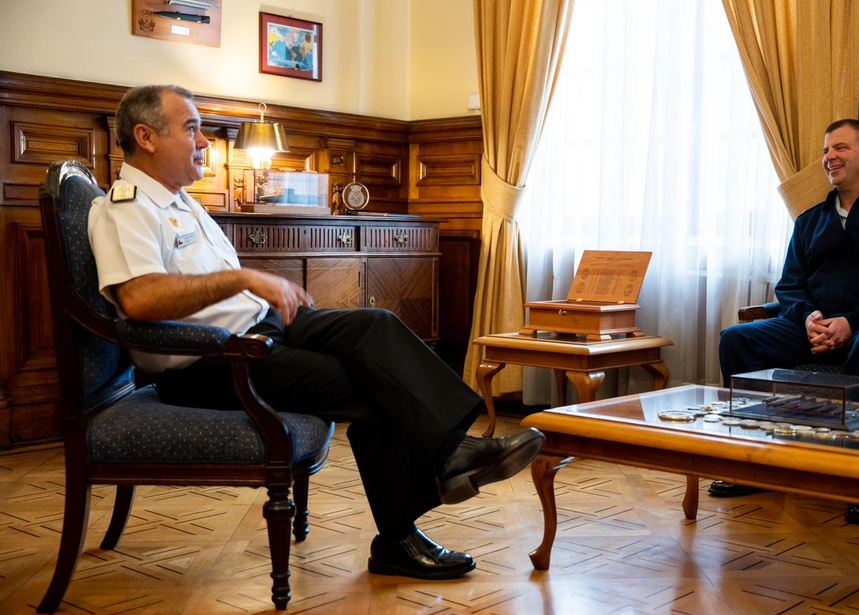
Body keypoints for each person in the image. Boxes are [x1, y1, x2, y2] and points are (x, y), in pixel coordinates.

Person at [88, 84, 545, 580]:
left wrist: (257, 291)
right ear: (145, 137)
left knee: (378, 325)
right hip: (211, 362)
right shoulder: (126, 207)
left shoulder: (180, 202)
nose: (204, 142)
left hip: (258, 328)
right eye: (192, 128)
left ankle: (454, 448)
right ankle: (400, 534)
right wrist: (245, 279)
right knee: (374, 386)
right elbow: (140, 299)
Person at [714, 119, 859, 525]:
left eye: (840, 148)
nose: (829, 157)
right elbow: (790, 287)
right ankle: (755, 462)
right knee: (737, 339)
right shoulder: (809, 220)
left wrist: (852, 322)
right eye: (825, 150)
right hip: (812, 327)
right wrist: (809, 319)